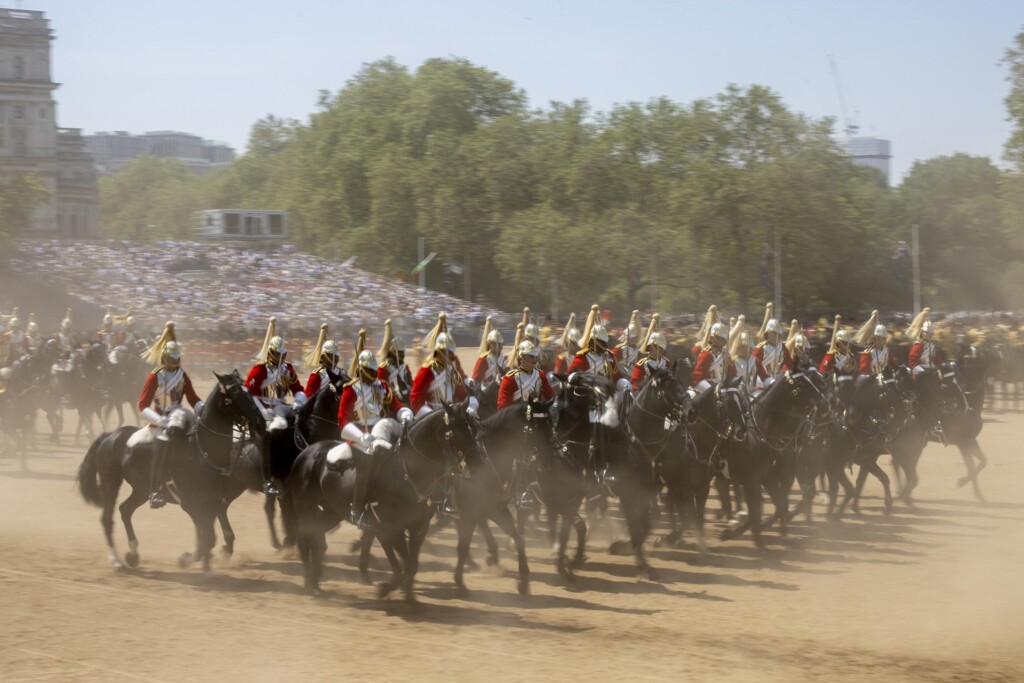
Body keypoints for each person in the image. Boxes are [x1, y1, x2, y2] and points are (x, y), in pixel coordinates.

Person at [340, 330, 414, 530]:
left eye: (375, 371)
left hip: (381, 431)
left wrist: (404, 413)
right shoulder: (351, 389)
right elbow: (342, 421)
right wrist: (359, 435)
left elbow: (394, 405)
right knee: (366, 462)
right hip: (359, 436)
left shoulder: (381, 386)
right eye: (371, 371)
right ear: (362, 369)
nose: (374, 374)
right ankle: (357, 510)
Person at [135, 322, 203, 509]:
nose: (175, 363)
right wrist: (159, 420)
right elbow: (142, 406)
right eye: (172, 360)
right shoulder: (155, 376)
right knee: (162, 446)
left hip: (179, 414)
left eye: (177, 359)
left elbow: (192, 397)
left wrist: (201, 406)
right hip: (160, 420)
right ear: (165, 358)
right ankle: (154, 490)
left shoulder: (182, 375)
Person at [244, 317, 307, 495]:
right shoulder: (260, 369)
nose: (281, 357)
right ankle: (268, 476)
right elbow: (250, 393)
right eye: (278, 354)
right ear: (271, 353)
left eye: (283, 354)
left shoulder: (288, 369)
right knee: (275, 429)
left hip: (282, 405)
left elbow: (298, 389)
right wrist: (263, 411)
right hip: (264, 409)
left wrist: (299, 403)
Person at [409, 313, 476, 417]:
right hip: (432, 415)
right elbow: (416, 399)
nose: (451, 355)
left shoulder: (452, 369)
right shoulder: (427, 370)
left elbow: (460, 393)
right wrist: (431, 414)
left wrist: (470, 402)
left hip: (450, 413)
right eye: (447, 352)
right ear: (439, 351)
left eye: (451, 352)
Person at [568, 305, 628, 391]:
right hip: (588, 395)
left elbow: (617, 376)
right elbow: (570, 375)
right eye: (601, 342)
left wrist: (624, 383)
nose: (604, 344)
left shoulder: (609, 356)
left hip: (607, 392)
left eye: (604, 342)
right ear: (592, 341)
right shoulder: (583, 357)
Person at [752, 303, 789, 390]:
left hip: (779, 377)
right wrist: (767, 379)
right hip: (762, 379)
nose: (775, 336)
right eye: (772, 333)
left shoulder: (782, 347)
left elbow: (788, 362)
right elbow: (756, 366)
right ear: (767, 334)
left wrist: (784, 373)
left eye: (777, 333)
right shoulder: (760, 349)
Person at [630, 313, 672, 392]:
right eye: (657, 347)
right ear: (650, 347)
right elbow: (635, 385)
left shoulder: (666, 363)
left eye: (661, 348)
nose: (660, 350)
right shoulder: (641, 364)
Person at [691, 322, 736, 393]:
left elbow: (733, 374)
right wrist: (711, 390)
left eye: (723, 339)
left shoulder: (725, 354)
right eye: (720, 338)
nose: (722, 341)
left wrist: (730, 364)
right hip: (709, 386)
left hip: (723, 387)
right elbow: (698, 377)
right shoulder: (706, 354)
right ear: (712, 338)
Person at [376, 319, 412, 404]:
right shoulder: (383, 369)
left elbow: (411, 384)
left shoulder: (405, 367)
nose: (403, 355)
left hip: (407, 400)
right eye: (400, 352)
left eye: (403, 352)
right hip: (391, 403)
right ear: (392, 353)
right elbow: (381, 389)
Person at [303, 323, 344, 396]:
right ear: (323, 357)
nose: (334, 358)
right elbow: (309, 397)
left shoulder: (341, 373)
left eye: (336, 356)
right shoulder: (317, 375)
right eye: (331, 356)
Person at [857, 311, 898, 377]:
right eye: (876, 338)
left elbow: (894, 365)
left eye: (880, 338)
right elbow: (864, 372)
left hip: (885, 378)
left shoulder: (887, 351)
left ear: (884, 340)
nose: (878, 341)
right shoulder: (867, 353)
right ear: (873, 339)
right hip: (872, 380)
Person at [471, 316, 507, 387]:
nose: (499, 346)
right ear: (490, 344)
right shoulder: (483, 358)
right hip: (486, 390)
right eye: (495, 344)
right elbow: (476, 379)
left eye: (500, 344)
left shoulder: (504, 358)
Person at [907, 308, 943, 376]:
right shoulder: (918, 346)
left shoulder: (931, 345)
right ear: (922, 332)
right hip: (920, 375)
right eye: (927, 332)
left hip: (932, 373)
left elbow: (937, 359)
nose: (930, 335)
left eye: (931, 333)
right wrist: (923, 372)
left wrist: (942, 365)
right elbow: (912, 363)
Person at [728, 316, 758, 394]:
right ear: (738, 348)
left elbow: (754, 378)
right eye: (745, 348)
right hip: (737, 390)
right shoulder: (733, 361)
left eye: (750, 348)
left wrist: (753, 387)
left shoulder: (753, 360)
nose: (749, 350)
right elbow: (731, 378)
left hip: (751, 390)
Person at [613, 310, 642, 380]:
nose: (629, 338)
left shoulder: (638, 352)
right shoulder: (619, 349)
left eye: (631, 337)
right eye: (628, 336)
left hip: (633, 378)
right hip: (620, 378)